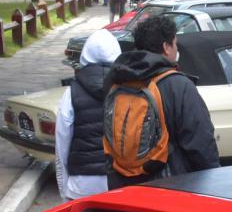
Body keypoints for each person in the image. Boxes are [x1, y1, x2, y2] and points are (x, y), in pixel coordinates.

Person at [103, 16, 219, 187]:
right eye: (175, 44)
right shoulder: (178, 85)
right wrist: (214, 180)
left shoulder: (116, 80)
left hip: (122, 186)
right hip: (169, 187)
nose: (176, 49)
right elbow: (201, 144)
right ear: (166, 47)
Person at [55, 31, 121, 201]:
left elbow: (62, 144)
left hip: (81, 184)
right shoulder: (128, 90)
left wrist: (64, 191)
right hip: (119, 182)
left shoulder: (71, 93)